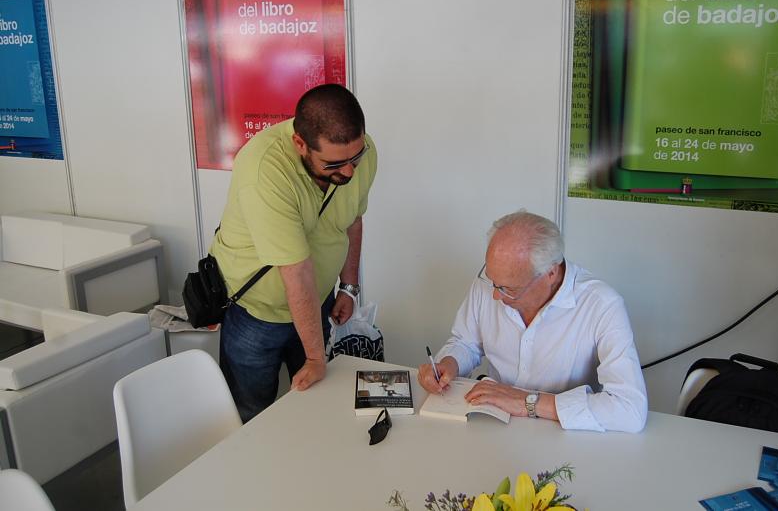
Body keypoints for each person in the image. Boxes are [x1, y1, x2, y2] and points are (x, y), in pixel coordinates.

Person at [211, 84, 377, 422]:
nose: (348, 172)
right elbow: (296, 271)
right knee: (252, 417)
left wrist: (348, 286)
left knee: (315, 412)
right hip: (257, 315)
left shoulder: (364, 152)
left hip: (316, 304)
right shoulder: (264, 170)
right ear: (300, 144)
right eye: (334, 164)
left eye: (355, 158)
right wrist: (316, 359)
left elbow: (352, 222)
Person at [418, 211, 648, 432]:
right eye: (492, 281)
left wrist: (527, 402)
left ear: (551, 273)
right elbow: (465, 342)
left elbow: (630, 409)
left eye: (509, 289)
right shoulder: (491, 284)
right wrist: (449, 364)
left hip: (563, 432)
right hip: (492, 421)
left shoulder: (601, 305)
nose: (496, 296)